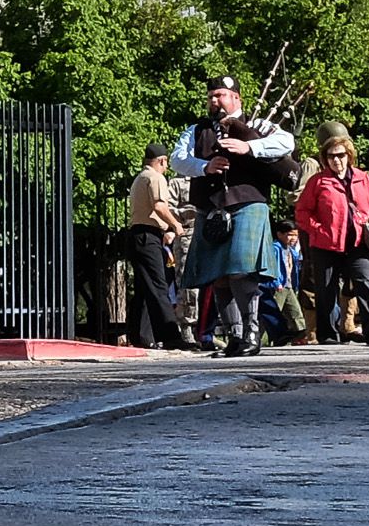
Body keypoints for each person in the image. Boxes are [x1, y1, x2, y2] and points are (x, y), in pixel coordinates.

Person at [174, 74, 295, 359]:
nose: (215, 101)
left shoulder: (258, 125)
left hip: (248, 204)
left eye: (221, 95)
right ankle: (234, 337)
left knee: (242, 271)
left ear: (236, 98)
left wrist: (250, 147)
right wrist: (204, 166)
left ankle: (253, 333)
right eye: (211, 96)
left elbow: (286, 143)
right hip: (212, 209)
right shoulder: (197, 130)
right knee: (219, 277)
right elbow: (179, 159)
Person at [293, 122, 369, 345]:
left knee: (364, 285)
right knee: (326, 291)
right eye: (331, 156)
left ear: (348, 155)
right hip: (326, 245)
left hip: (357, 243)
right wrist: (318, 230)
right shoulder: (318, 181)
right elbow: (302, 212)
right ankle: (328, 333)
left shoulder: (362, 178)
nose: (337, 160)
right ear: (325, 158)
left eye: (341, 155)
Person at [123, 145, 190, 349]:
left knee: (145, 288)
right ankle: (171, 337)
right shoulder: (155, 178)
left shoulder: (139, 178)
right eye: (166, 162)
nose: (167, 167)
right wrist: (175, 225)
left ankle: (140, 335)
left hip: (137, 234)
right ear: (161, 160)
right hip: (148, 235)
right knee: (159, 286)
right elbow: (160, 205)